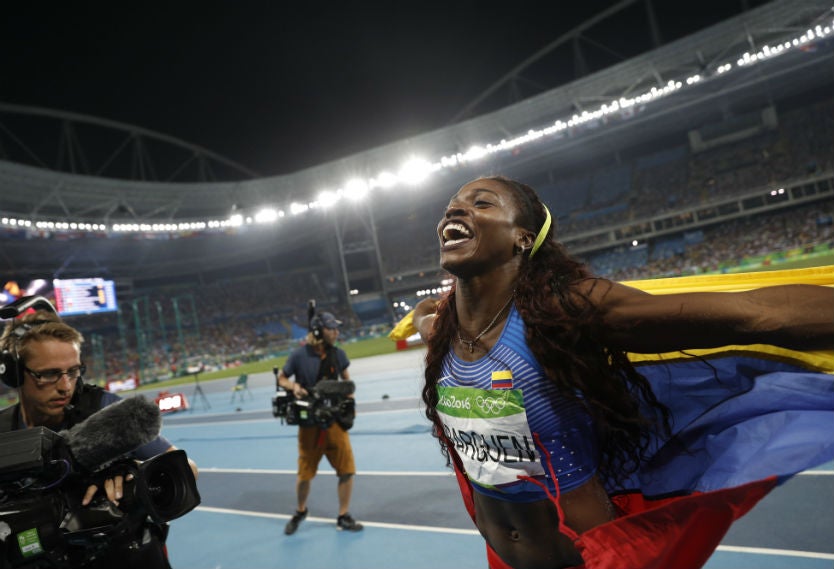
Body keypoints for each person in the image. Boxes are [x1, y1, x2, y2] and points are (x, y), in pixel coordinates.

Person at [409, 175, 834, 569]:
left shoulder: (563, 311)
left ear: (523, 237)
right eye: (451, 205)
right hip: (503, 559)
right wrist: (422, 317)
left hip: (586, 559)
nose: (455, 211)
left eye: (481, 203)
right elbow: (428, 319)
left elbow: (755, 315)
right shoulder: (446, 330)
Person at [0, 304, 199, 569]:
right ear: (13, 373)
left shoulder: (104, 408)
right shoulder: (3, 429)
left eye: (73, 371)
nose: (66, 386)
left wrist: (134, 473)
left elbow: (188, 469)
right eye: (48, 375)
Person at [276, 309, 363, 535]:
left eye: (336, 328)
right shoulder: (298, 356)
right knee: (304, 474)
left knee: (346, 470)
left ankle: (343, 515)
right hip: (309, 427)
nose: (336, 332)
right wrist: (293, 386)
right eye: (331, 328)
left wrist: (349, 403)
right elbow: (282, 378)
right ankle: (300, 510)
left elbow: (347, 383)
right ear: (317, 330)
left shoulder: (339, 355)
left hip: (334, 422)